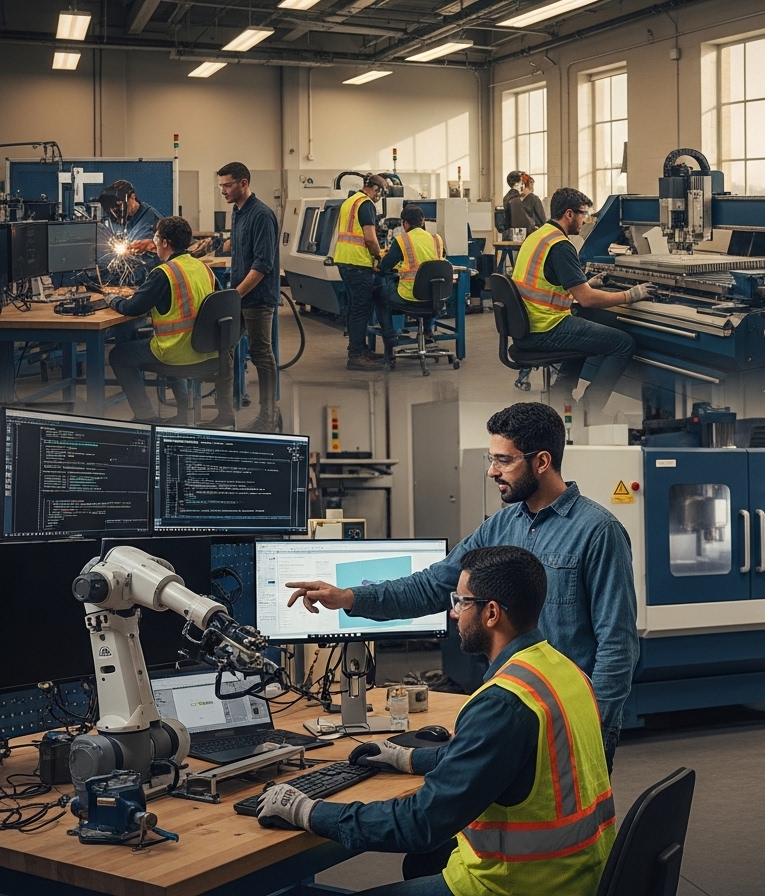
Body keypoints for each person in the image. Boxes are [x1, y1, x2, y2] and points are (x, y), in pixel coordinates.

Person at [283, 402, 639, 768]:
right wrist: (349, 598)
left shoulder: (598, 532)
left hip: (568, 720)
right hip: (509, 713)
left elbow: (617, 643)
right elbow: (431, 586)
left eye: (504, 460)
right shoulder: (499, 528)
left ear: (542, 462)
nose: (491, 471)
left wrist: (595, 727)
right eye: (491, 458)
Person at [257, 546, 616, 896]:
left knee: (423, 847)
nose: (453, 614)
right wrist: (406, 757)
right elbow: (496, 757)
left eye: (461, 602)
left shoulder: (504, 702)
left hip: (519, 884)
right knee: (424, 861)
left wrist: (306, 810)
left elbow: (420, 823)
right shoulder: (564, 671)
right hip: (582, 870)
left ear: (491, 613)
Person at [511, 187, 655, 423]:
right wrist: (631, 294)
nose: (585, 220)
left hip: (529, 324)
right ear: (569, 214)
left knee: (583, 321)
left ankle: (561, 393)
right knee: (623, 343)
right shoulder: (561, 245)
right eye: (583, 214)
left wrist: (584, 283)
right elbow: (587, 299)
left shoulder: (538, 237)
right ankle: (587, 412)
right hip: (546, 328)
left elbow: (549, 283)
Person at [107, 215, 232, 424]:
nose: (153, 241)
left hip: (178, 353)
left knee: (119, 355)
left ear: (165, 242)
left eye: (155, 237)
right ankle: (182, 413)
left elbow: (132, 307)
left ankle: (145, 417)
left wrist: (113, 299)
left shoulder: (164, 273)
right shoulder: (204, 268)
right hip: (209, 352)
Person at [218, 161, 280, 431]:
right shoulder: (237, 211)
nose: (223, 191)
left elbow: (263, 265)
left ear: (244, 183)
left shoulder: (261, 214)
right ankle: (224, 414)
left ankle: (268, 417)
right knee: (224, 347)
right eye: (221, 185)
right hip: (240, 296)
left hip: (257, 297)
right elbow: (240, 246)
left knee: (261, 354)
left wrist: (235, 294)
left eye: (228, 185)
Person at [335, 173, 396, 371]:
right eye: (380, 194)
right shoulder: (366, 204)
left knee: (355, 308)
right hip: (358, 262)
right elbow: (370, 239)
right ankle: (356, 356)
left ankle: (360, 349)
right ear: (376, 190)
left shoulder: (349, 201)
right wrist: (379, 256)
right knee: (362, 309)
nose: (379, 199)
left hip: (344, 260)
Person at [377, 204, 446, 366]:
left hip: (409, 296)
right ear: (422, 222)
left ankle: (390, 338)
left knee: (378, 295)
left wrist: (380, 265)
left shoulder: (403, 240)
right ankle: (428, 331)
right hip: (434, 297)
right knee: (429, 296)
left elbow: (385, 266)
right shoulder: (437, 239)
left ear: (405, 223)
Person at [95, 180, 163, 285]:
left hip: (145, 277)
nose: (116, 211)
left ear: (133, 197)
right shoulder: (125, 218)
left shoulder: (150, 221)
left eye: (120, 205)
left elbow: (156, 257)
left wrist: (149, 244)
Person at [502, 170, 532, 236]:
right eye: (522, 182)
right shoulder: (516, 199)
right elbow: (522, 222)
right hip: (518, 235)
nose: (523, 185)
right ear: (516, 184)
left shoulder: (506, 198)